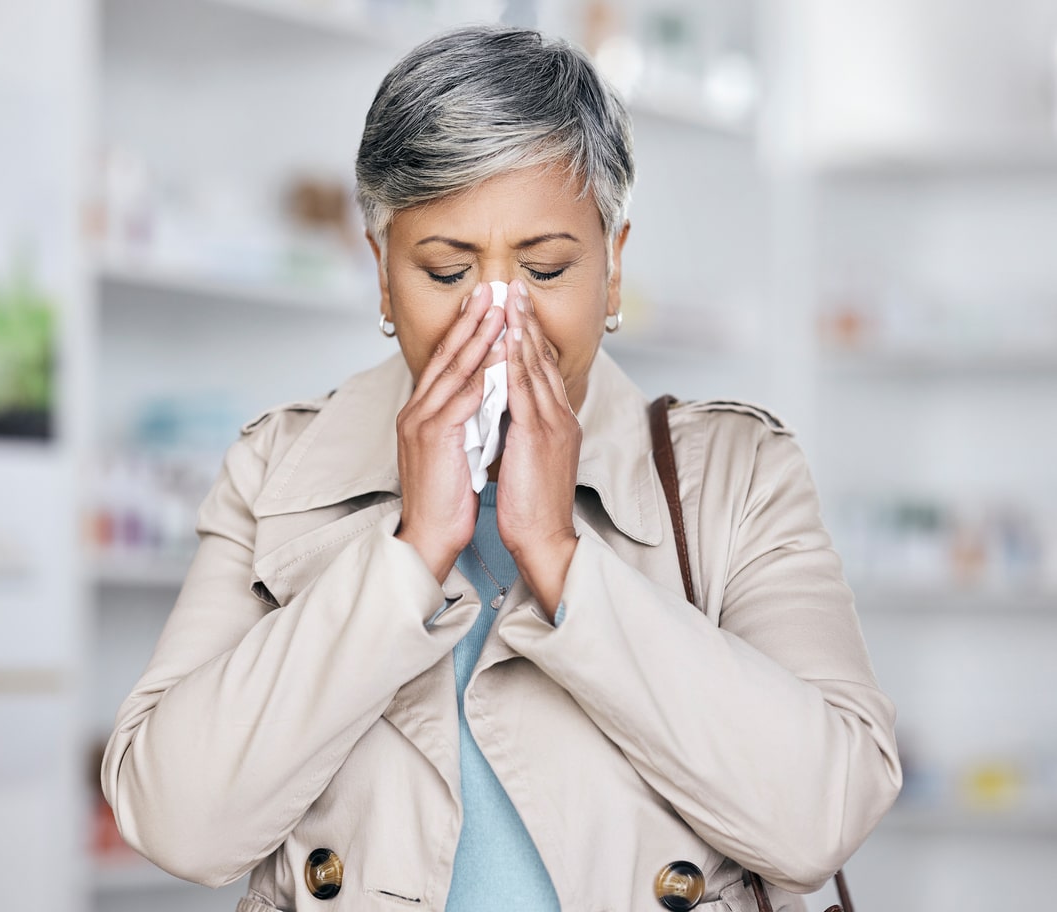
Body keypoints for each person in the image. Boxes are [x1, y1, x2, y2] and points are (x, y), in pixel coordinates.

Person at [101, 24, 901, 912]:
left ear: (614, 268)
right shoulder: (279, 472)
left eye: (546, 268)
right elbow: (177, 822)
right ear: (380, 274)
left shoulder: (737, 477)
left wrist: (559, 557)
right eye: (446, 272)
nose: (497, 319)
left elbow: (821, 818)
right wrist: (410, 555)